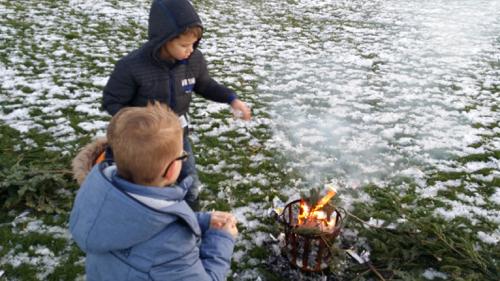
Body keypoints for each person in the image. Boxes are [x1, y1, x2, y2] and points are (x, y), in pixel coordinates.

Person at [102, 0, 251, 209]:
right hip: (141, 140)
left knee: (188, 178)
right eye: (184, 45)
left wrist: (231, 98)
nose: (190, 50)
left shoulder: (193, 61)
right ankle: (140, 213)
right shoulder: (132, 66)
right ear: (163, 40)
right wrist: (140, 121)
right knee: (143, 183)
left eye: (194, 44)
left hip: (176, 136)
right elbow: (112, 101)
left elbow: (205, 85)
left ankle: (191, 214)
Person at [69, 102, 238, 281]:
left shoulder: (98, 193)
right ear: (171, 169)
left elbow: (139, 222)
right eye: (182, 155)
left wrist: (201, 221)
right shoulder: (171, 244)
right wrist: (222, 239)